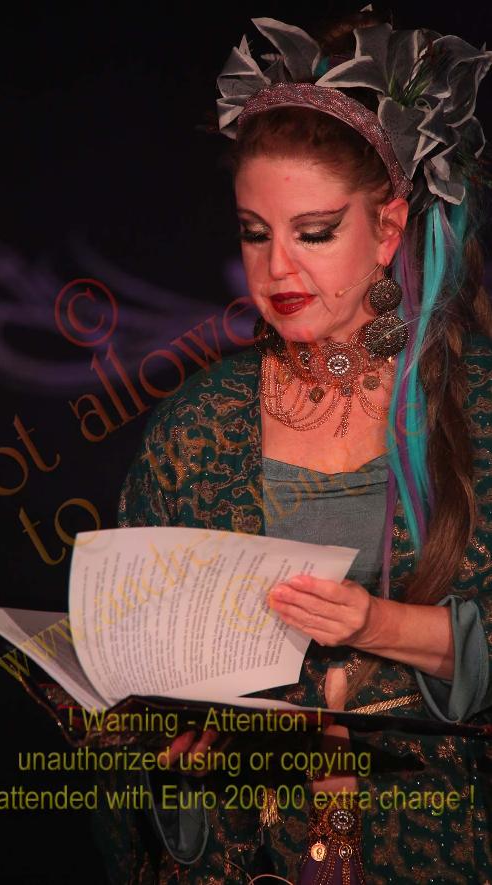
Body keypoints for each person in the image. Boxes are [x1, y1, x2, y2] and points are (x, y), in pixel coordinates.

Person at [95, 10, 492, 883]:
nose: (278, 268)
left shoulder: (478, 410)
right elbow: (137, 715)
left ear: (387, 228)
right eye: (255, 232)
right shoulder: (198, 427)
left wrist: (377, 623)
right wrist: (169, 761)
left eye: (313, 233)